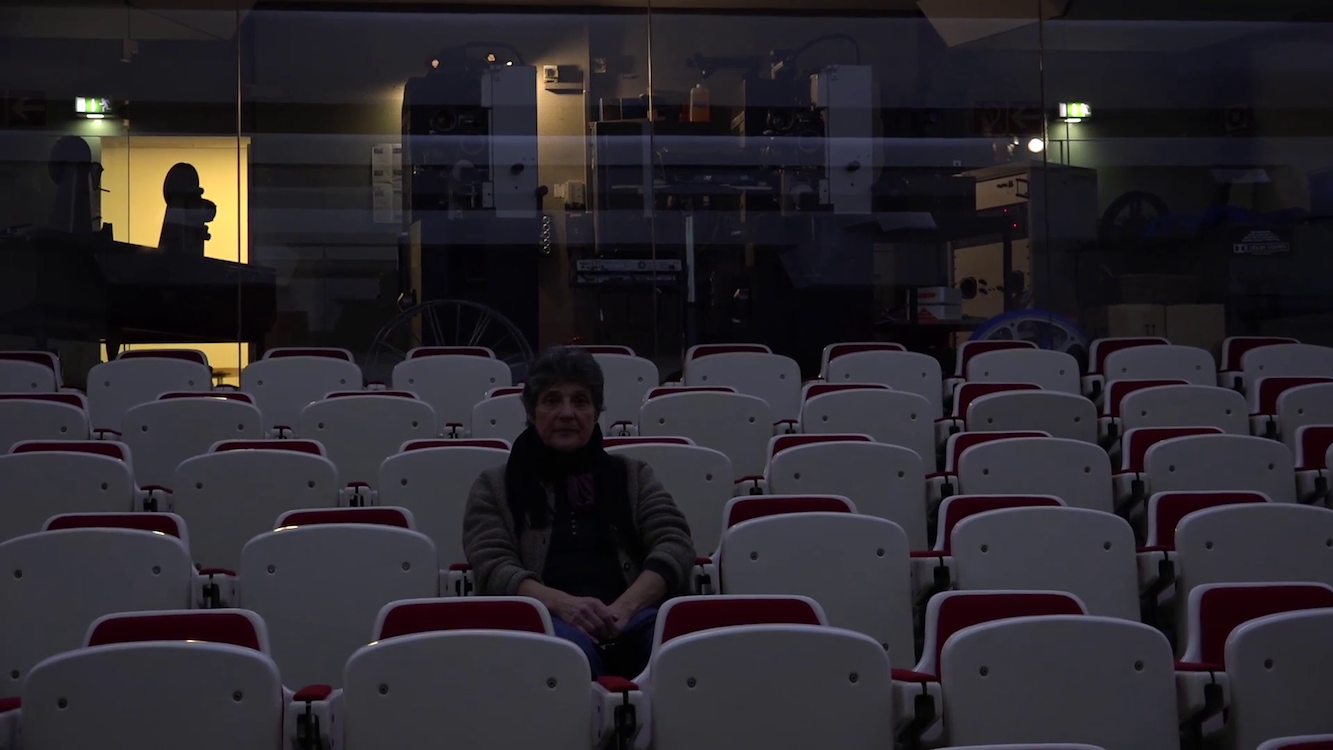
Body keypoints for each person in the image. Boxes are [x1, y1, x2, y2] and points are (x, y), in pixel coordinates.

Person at [462, 346, 695, 679]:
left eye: (580, 401)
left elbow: (675, 544)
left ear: (596, 411)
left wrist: (623, 609)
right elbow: (494, 567)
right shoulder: (492, 487)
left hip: (633, 616)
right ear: (531, 411)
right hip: (546, 622)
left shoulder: (634, 476)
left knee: (679, 649)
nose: (567, 413)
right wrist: (564, 606)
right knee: (567, 655)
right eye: (552, 400)